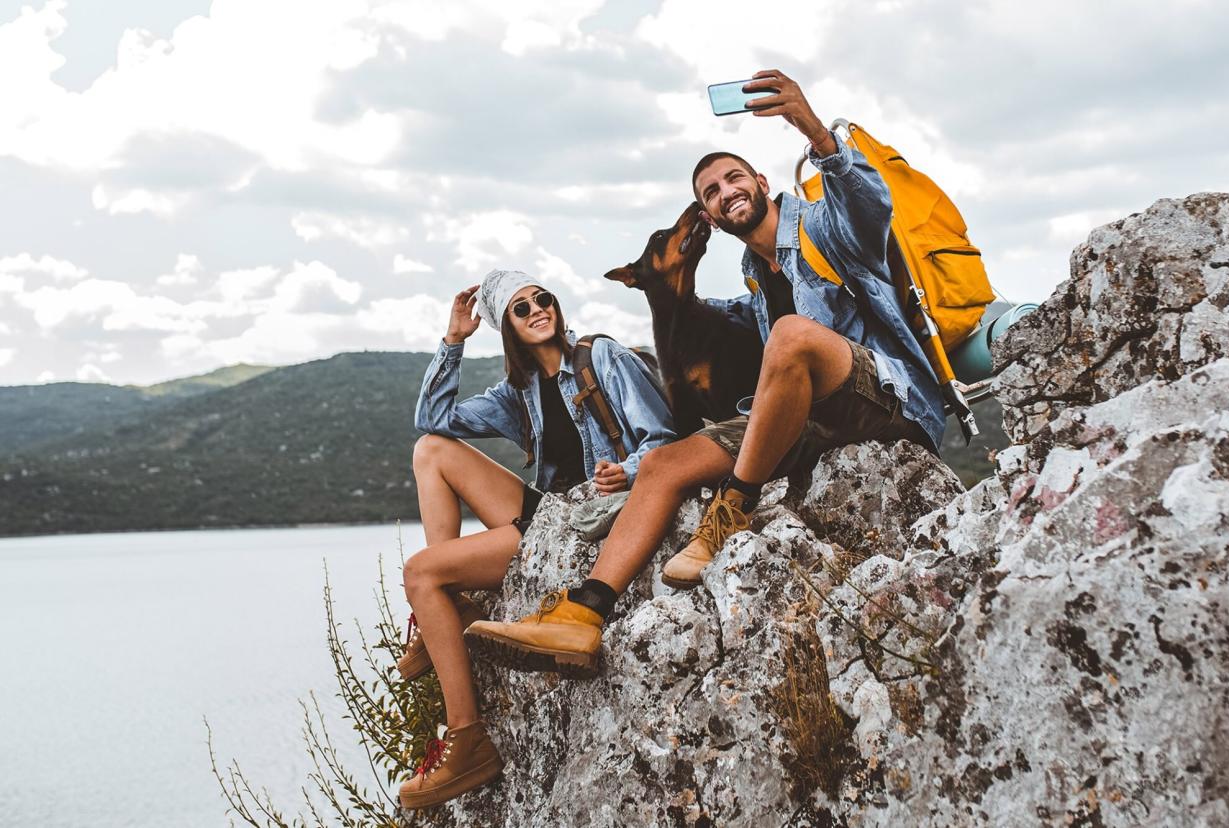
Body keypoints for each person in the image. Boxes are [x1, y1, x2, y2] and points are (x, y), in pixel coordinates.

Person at [465, 70, 944, 673]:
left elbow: (872, 212)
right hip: (812, 417)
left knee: (794, 337)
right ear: (711, 220)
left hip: (884, 398)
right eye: (711, 192)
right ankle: (583, 615)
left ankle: (733, 505)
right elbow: (695, 322)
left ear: (762, 183)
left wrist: (815, 132)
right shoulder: (755, 281)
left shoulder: (823, 227)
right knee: (665, 463)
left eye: (733, 178)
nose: (723, 193)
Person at [396, 268, 675, 809]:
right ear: (507, 326)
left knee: (419, 572)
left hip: (589, 516)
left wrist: (628, 468)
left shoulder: (603, 358)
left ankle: (466, 737)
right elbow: (433, 418)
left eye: (542, 299)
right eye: (520, 309)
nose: (537, 310)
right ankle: (448, 604)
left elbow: (664, 437)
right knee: (431, 448)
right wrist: (453, 341)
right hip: (549, 512)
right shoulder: (517, 392)